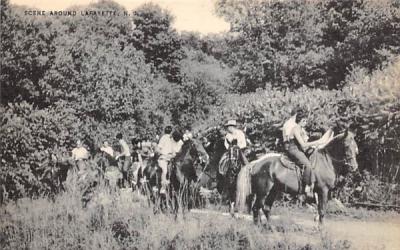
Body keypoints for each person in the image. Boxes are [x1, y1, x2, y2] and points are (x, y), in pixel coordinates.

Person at [283, 109, 325, 198]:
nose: (305, 122)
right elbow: (303, 144)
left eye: (306, 121)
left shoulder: (301, 129)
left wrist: (314, 147)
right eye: (303, 121)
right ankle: (307, 187)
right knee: (307, 165)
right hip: (293, 149)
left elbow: (306, 142)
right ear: (299, 121)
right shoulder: (295, 129)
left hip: (300, 149)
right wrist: (317, 142)